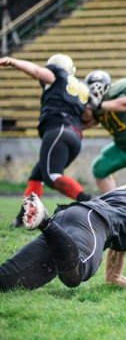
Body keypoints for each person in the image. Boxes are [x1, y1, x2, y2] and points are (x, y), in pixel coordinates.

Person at [0, 54, 92, 227]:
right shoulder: (81, 88)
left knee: (52, 176)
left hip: (58, 131)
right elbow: (88, 116)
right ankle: (23, 217)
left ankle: (89, 203)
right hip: (74, 136)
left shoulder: (57, 76)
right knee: (37, 175)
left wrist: (14, 62)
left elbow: (37, 71)